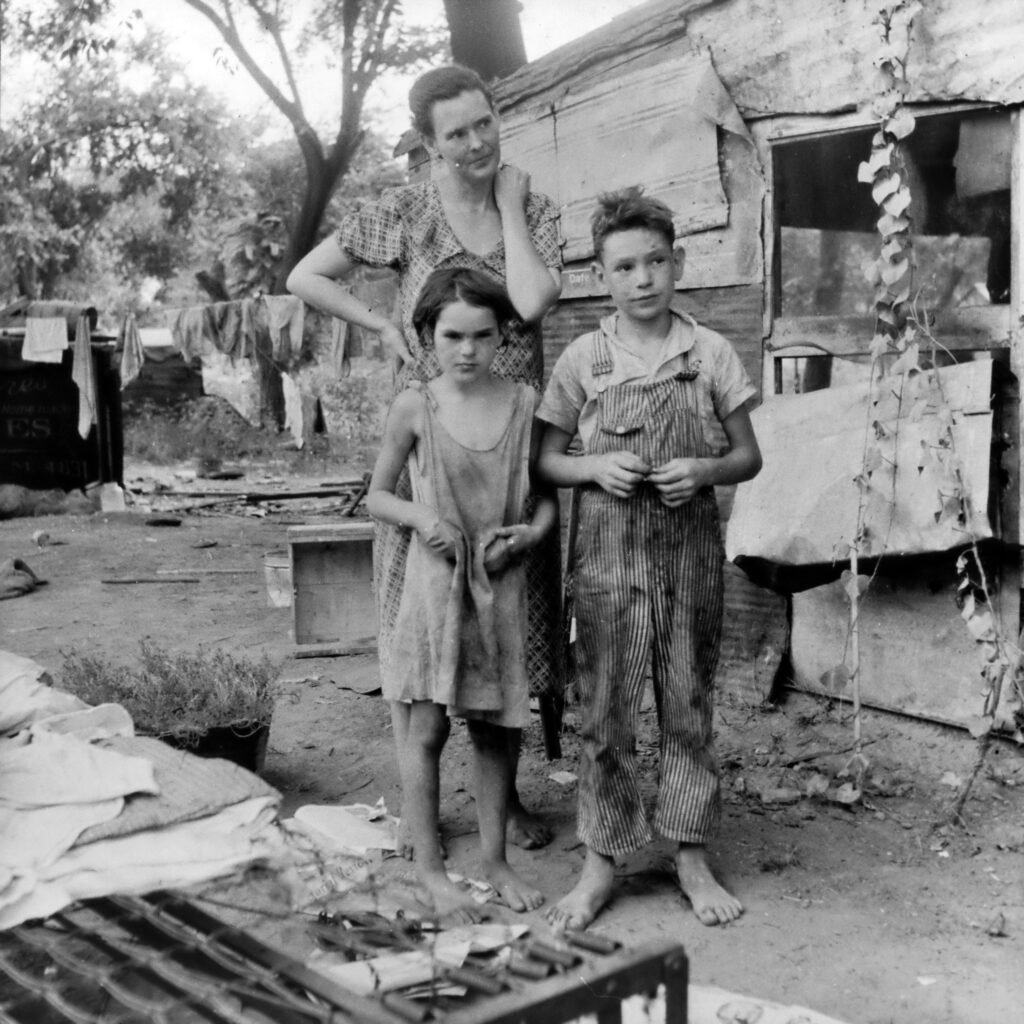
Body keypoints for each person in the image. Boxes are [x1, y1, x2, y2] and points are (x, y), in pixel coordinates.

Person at [286, 63, 562, 852]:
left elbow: (534, 303)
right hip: (431, 446)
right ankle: (423, 806)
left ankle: (501, 804)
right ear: (428, 143)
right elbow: (304, 275)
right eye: (456, 134)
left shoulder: (532, 207)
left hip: (510, 446)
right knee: (426, 621)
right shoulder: (404, 212)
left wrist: (504, 203)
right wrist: (377, 325)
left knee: (509, 620)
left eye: (484, 123)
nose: (475, 143)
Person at [536, 187, 762, 931]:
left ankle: (690, 851)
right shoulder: (584, 359)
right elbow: (546, 461)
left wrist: (702, 470)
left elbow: (747, 456)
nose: (643, 279)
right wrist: (593, 468)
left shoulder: (711, 354)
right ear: (603, 276)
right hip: (605, 564)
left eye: (656, 262)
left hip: (689, 558)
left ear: (678, 263)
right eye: (625, 266)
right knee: (604, 713)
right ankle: (602, 861)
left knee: (687, 704)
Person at [365, 267, 557, 921]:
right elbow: (377, 494)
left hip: (499, 589)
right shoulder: (417, 405)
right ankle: (429, 870)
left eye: (482, 335)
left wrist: (527, 536)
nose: (468, 350)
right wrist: (422, 518)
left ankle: (495, 861)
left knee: (498, 731)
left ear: (503, 335)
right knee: (427, 726)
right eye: (452, 336)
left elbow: (549, 501)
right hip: (434, 591)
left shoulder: (524, 402)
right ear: (426, 336)